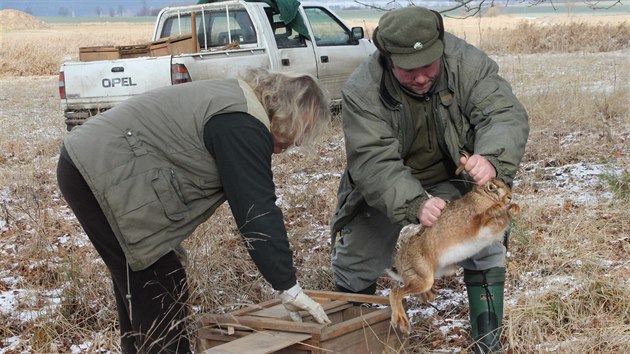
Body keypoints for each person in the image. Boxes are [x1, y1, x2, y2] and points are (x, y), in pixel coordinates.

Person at [56, 68, 332, 354]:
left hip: (100, 166)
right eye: (301, 128)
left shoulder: (238, 107)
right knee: (158, 282)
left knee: (146, 280)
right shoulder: (242, 125)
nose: (297, 141)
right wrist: (287, 286)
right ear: (287, 110)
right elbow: (256, 210)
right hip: (98, 170)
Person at [330, 6, 529, 353]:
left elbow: (503, 114)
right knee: (358, 258)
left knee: (487, 240)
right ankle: (351, 339)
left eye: (428, 66)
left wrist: (491, 159)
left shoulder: (467, 63)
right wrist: (414, 202)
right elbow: (373, 161)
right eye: (409, 70)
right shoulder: (362, 89)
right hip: (389, 184)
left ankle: (488, 341)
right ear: (388, 59)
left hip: (454, 175)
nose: (421, 78)